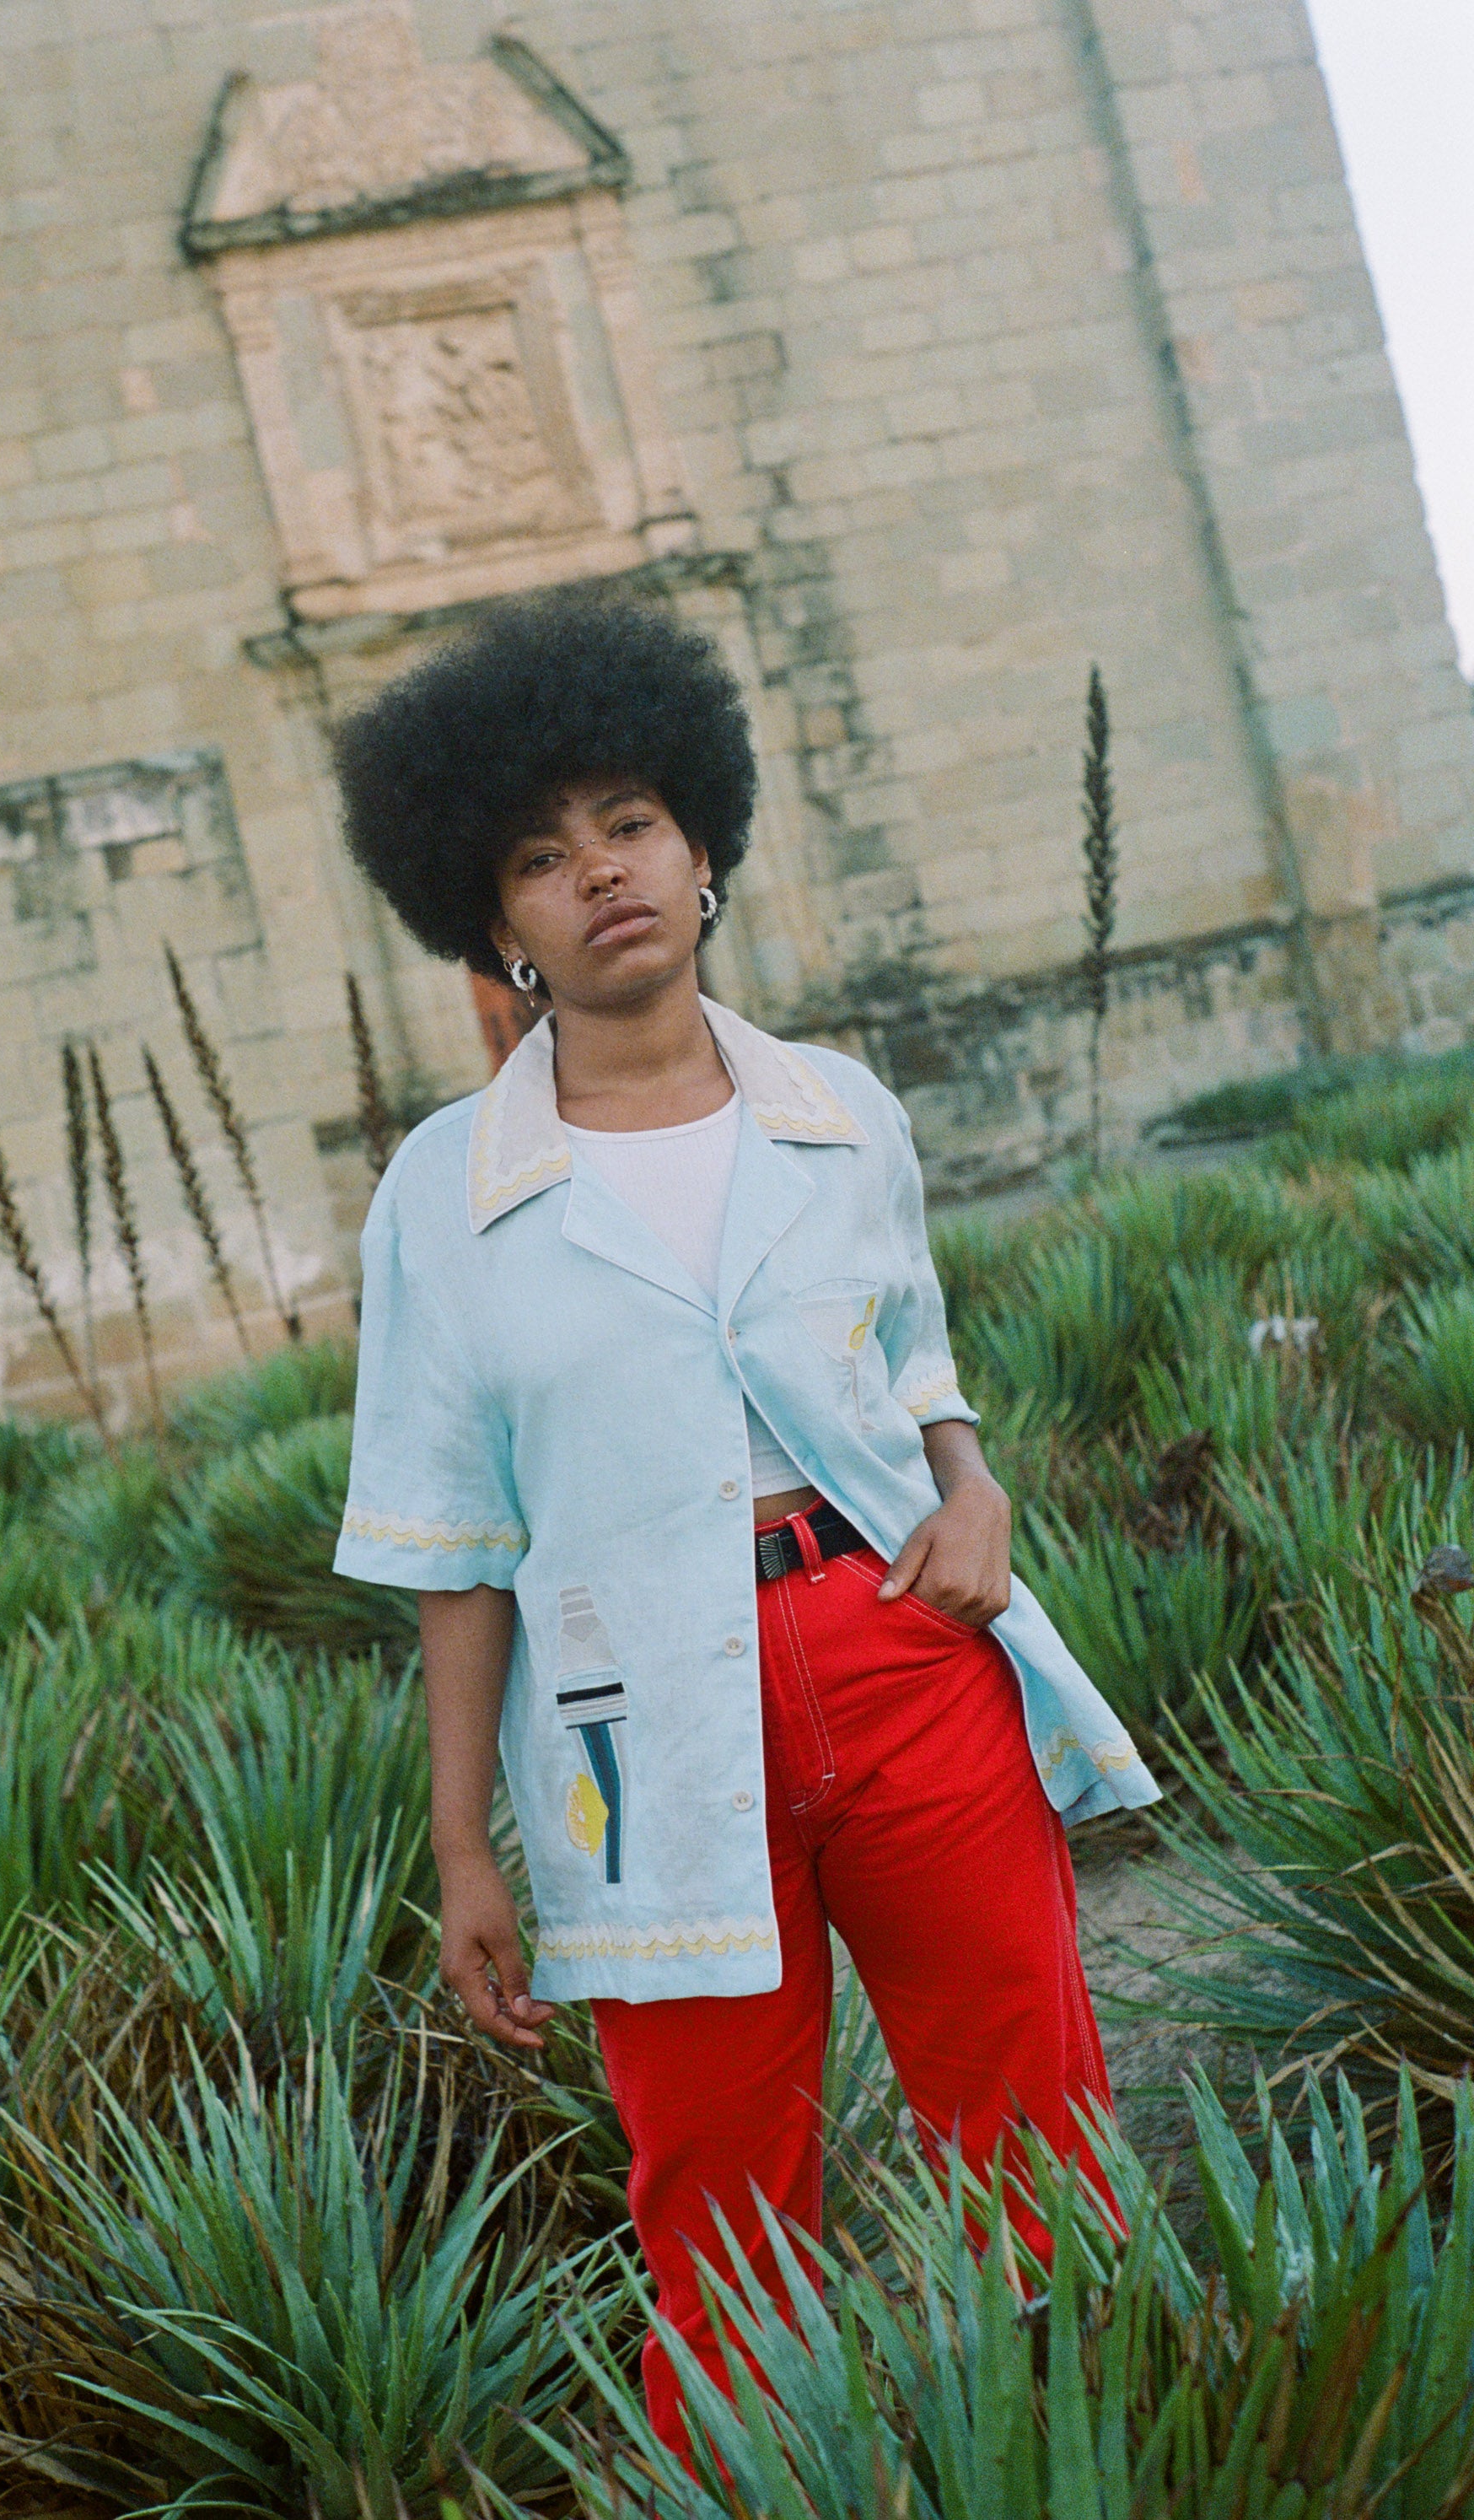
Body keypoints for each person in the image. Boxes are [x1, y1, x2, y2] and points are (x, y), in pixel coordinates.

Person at [332, 589, 1159, 2455]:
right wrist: (464, 1849)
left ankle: (1097, 2447)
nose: (598, 875)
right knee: (713, 2178)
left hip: (899, 1657)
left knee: (1027, 2104)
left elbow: (911, 1356)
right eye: (540, 858)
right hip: (631, 1734)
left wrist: (974, 1486)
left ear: (703, 844)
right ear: (497, 926)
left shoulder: (837, 1114)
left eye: (629, 824)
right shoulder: (443, 1196)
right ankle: (759, 2479)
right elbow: (455, 1541)